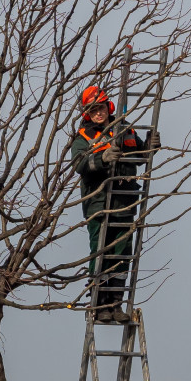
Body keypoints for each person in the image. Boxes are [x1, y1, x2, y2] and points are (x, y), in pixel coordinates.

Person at [69, 86, 153, 317]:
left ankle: (115, 302)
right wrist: (102, 158)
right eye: (94, 109)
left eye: (101, 107)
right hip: (98, 203)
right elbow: (80, 164)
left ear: (108, 107)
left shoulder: (124, 130)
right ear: (87, 112)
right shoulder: (84, 137)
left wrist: (148, 146)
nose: (99, 113)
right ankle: (99, 301)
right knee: (100, 250)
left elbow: (138, 157)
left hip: (124, 201)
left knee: (122, 251)